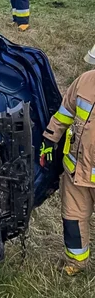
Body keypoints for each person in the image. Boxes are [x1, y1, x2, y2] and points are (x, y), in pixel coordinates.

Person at [40, 44, 95, 275]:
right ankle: (76, 262)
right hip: (75, 172)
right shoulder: (84, 81)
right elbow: (65, 112)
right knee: (73, 219)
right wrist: (50, 138)